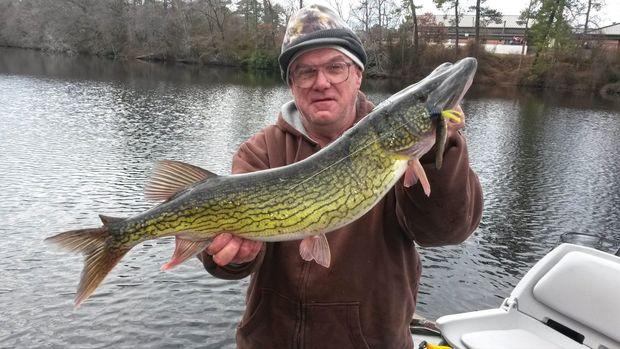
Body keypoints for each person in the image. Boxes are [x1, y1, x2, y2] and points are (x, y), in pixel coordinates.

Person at [198, 4, 483, 348]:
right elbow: (234, 254)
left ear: (358, 75)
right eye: (305, 71)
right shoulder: (261, 151)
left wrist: (441, 149)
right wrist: (226, 257)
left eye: (336, 67)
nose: (322, 82)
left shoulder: (394, 142)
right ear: (291, 83)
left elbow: (445, 231)